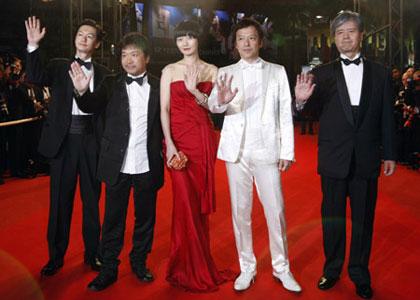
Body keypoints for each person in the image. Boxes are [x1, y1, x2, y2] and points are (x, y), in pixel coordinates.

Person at [294, 11, 396, 299]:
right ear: (333, 38)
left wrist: (389, 153)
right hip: (333, 159)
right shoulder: (321, 74)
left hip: (365, 159)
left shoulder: (380, 72)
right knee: (332, 218)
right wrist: (300, 103)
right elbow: (308, 112)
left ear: (361, 35)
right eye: (340, 33)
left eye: (351, 31)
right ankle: (332, 269)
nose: (346, 37)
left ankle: (360, 273)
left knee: (364, 220)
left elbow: (387, 116)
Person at [207, 18, 301, 293]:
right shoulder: (225, 71)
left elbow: (286, 111)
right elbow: (213, 105)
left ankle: (282, 268)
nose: (246, 43)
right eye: (241, 39)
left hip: (267, 150)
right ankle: (246, 268)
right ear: (234, 44)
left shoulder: (277, 71)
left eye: (251, 38)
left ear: (260, 41)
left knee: (277, 211)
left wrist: (287, 150)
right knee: (240, 213)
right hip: (236, 152)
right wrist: (221, 100)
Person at [70, 32, 164, 291]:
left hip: (147, 163)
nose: (128, 60)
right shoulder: (111, 83)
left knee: (145, 219)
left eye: (134, 54)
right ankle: (109, 268)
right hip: (117, 164)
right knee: (113, 220)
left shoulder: (158, 85)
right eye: (124, 55)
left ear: (146, 57)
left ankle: (139, 262)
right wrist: (80, 92)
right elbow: (90, 105)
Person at [25, 16, 110, 276]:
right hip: (62, 143)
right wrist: (32, 46)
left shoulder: (105, 73)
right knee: (59, 202)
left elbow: (103, 110)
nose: (84, 38)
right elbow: (36, 76)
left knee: (92, 203)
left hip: (90, 143)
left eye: (90, 36)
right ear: (75, 38)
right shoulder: (58, 65)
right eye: (81, 34)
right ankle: (55, 256)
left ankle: (93, 253)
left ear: (96, 44)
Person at [160, 20, 234, 292]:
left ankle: (199, 264)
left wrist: (193, 91)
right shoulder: (169, 70)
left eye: (190, 36)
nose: (185, 42)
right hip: (177, 141)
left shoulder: (212, 70)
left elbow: (214, 109)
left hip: (202, 139)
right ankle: (184, 266)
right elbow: (164, 110)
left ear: (198, 39)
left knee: (198, 205)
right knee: (184, 202)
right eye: (180, 38)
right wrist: (168, 144)